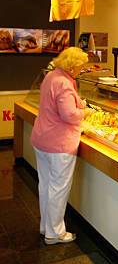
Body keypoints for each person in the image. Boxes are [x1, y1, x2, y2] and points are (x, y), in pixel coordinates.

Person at [31, 46, 90, 245]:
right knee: (58, 188)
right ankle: (55, 233)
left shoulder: (50, 77)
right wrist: (85, 113)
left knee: (46, 185)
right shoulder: (64, 83)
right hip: (58, 143)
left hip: (42, 139)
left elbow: (58, 105)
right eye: (81, 66)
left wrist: (77, 103)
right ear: (72, 67)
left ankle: (45, 226)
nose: (82, 69)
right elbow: (69, 115)